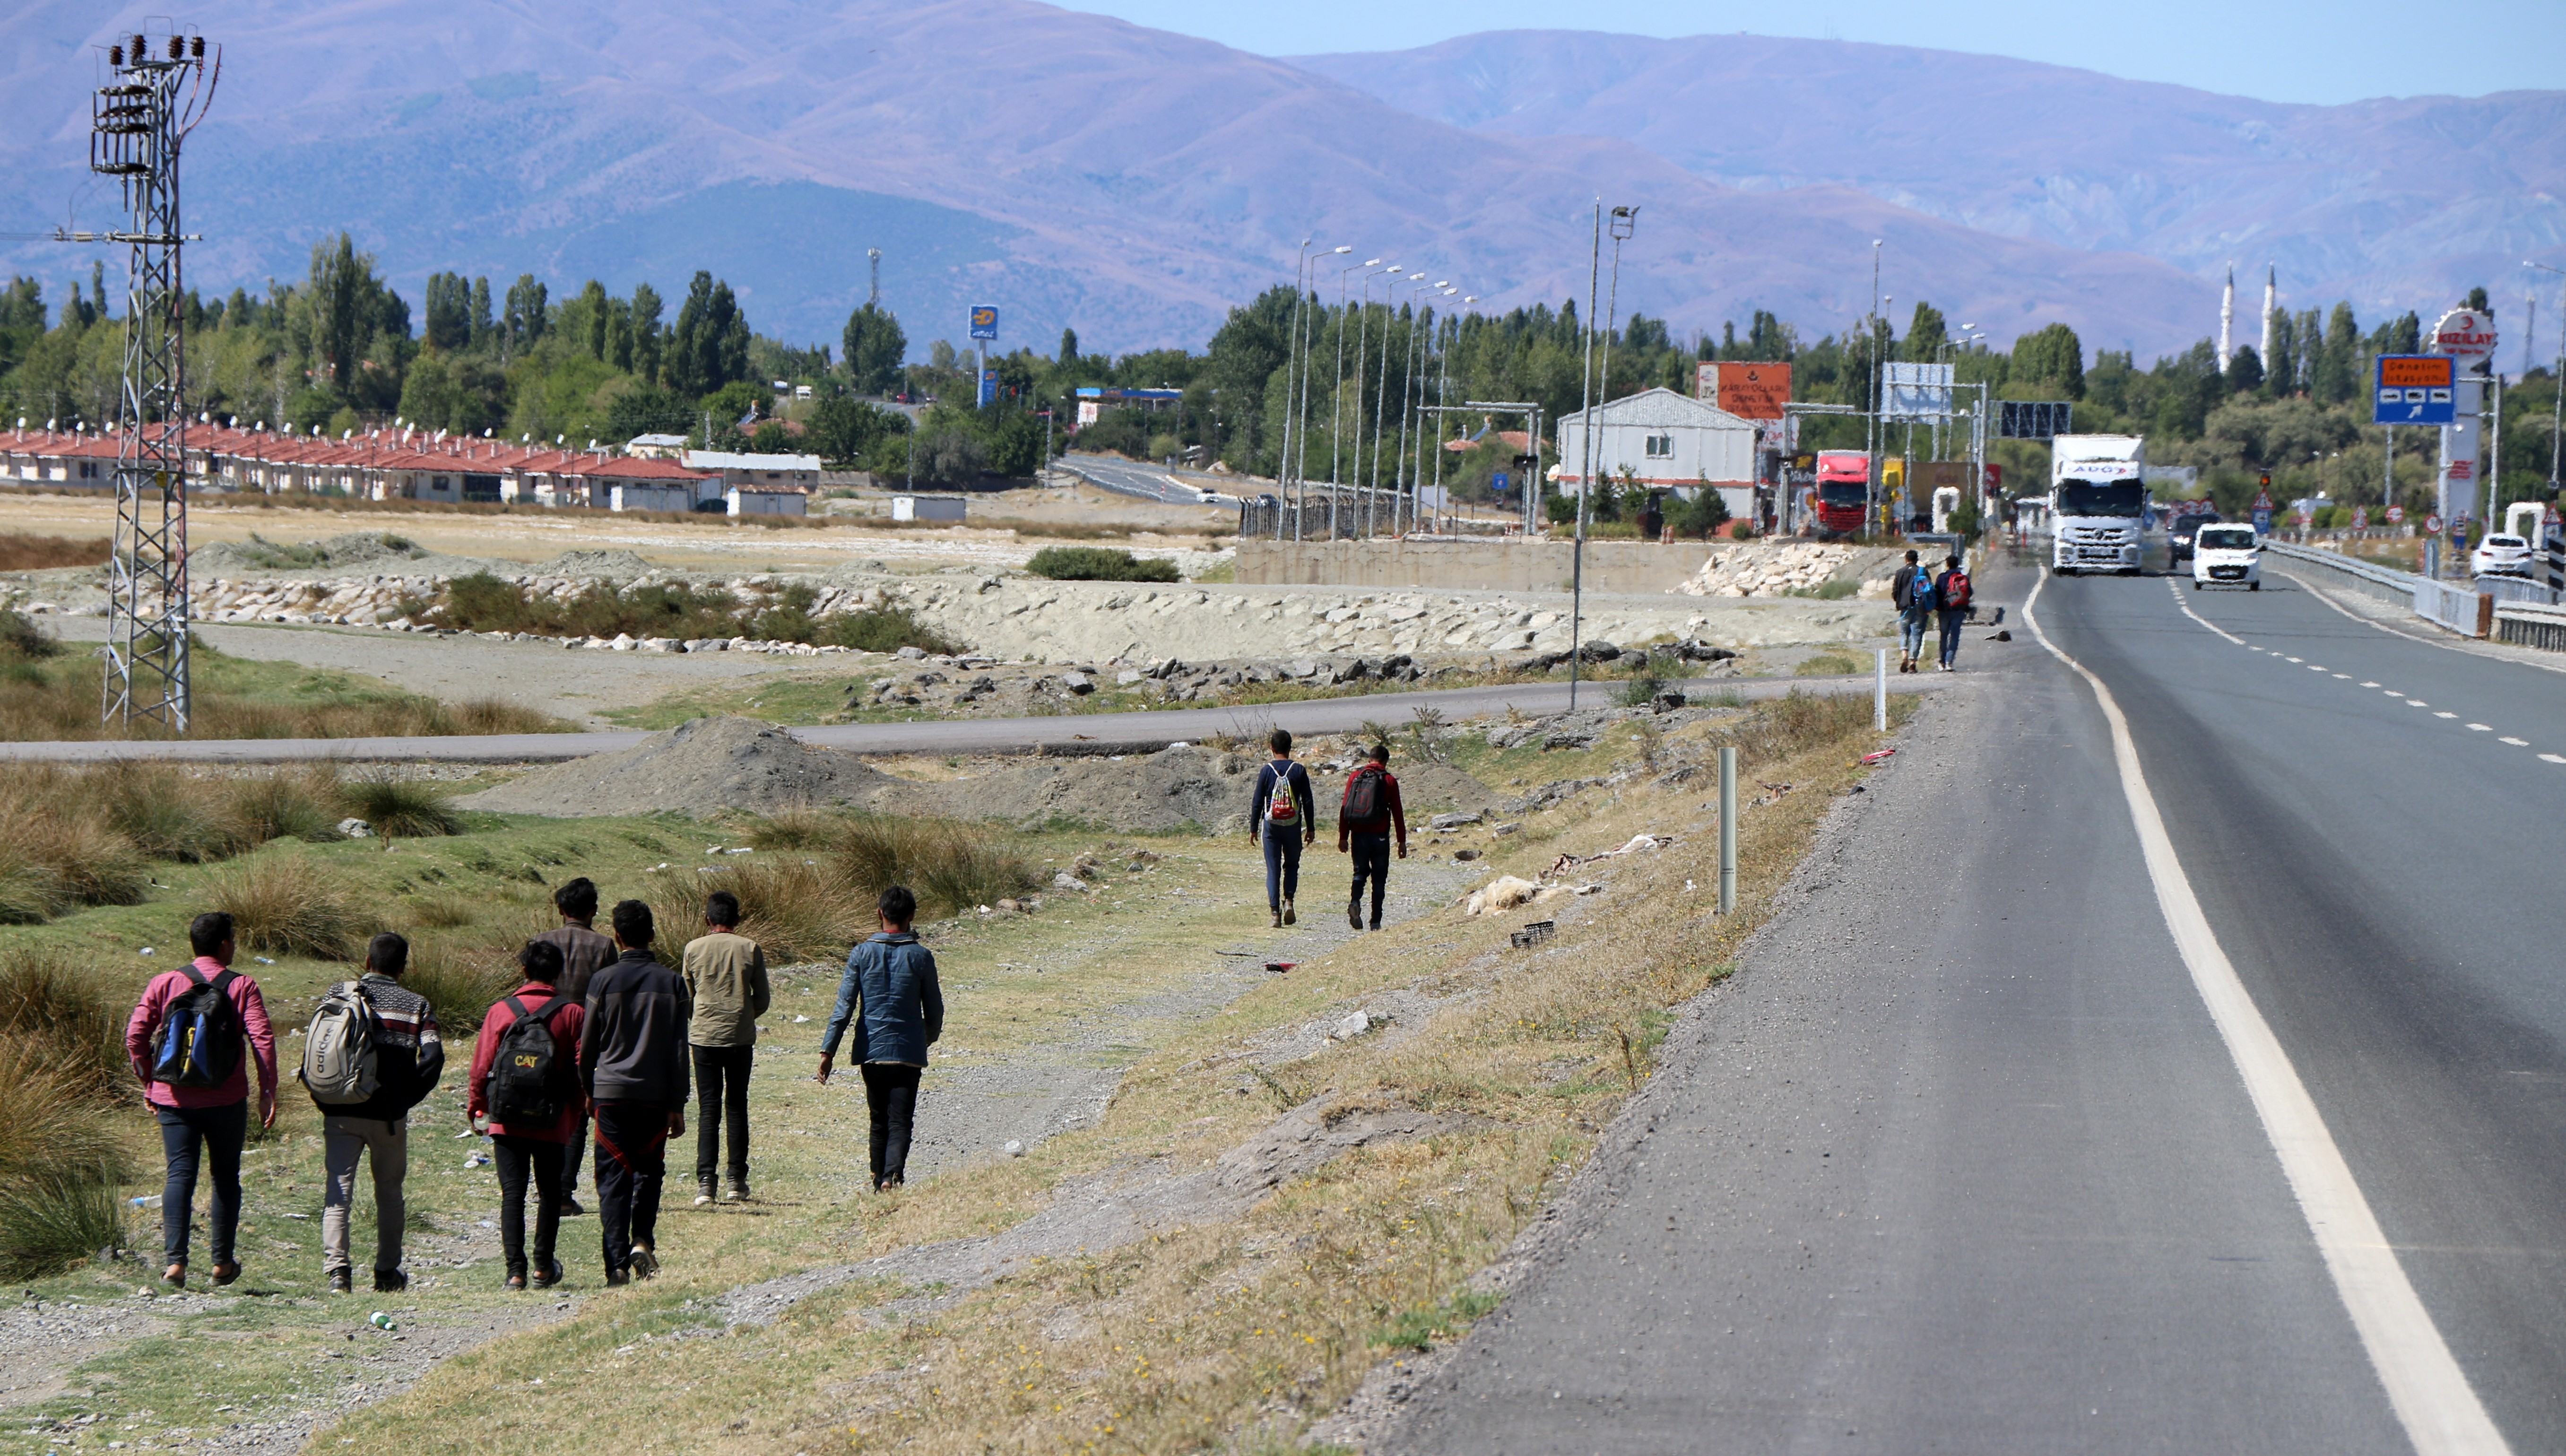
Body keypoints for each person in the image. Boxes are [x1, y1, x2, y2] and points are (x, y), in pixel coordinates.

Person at [125, 911, 277, 1290]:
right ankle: (222, 1264)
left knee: (180, 1174)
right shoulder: (243, 986)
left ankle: (176, 1264)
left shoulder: (165, 982)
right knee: (225, 1176)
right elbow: (262, 1041)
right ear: (225, 944)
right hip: (226, 1099)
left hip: (173, 1097)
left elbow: (135, 1038)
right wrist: (267, 1092)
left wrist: (149, 1082)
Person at [307, 932, 444, 1294]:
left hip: (339, 1109)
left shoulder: (337, 994)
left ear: (368, 963)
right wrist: (405, 1098)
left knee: (338, 1191)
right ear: (403, 968)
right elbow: (433, 1058)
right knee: (389, 1191)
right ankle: (386, 1271)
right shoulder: (416, 1004)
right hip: (387, 1117)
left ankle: (338, 1272)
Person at [577, 900, 690, 1285]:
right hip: (656, 1097)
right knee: (648, 1170)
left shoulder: (602, 981)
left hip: (609, 1092)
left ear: (617, 936)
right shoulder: (673, 983)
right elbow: (679, 1050)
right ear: (652, 935)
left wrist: (588, 1089)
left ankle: (616, 1266)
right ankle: (642, 1239)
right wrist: (678, 1104)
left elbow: (587, 1045)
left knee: (613, 1177)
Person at [467, 941, 585, 1290]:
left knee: (513, 1193)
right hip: (552, 1120)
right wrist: (574, 1114)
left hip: (507, 1118)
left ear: (524, 972)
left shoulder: (501, 1011)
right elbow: (581, 1073)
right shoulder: (573, 1013)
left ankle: (515, 1271)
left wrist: (477, 1107)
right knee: (550, 1194)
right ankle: (543, 1268)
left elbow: (481, 1068)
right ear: (559, 974)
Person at [816, 886, 944, 1192]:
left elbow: (844, 1007)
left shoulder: (861, 954)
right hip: (908, 1052)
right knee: (901, 1119)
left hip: (871, 1051)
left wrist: (828, 1051)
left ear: (879, 914)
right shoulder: (922, 957)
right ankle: (892, 1176)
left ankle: (878, 1179)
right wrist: (925, 1038)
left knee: (878, 1119)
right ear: (912, 917)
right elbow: (935, 1009)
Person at [681, 890, 770, 1207]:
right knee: (736, 1106)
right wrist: (743, 1015)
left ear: (708, 919)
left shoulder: (693, 949)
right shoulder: (750, 948)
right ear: (737, 920)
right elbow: (762, 999)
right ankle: (737, 1180)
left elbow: (686, 998)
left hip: (704, 1037)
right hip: (739, 1038)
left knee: (708, 1109)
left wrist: (703, 1018)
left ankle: (706, 1183)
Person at [535, 878, 616, 1219]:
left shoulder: (542, 942)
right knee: (578, 1117)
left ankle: (545, 1190)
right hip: (586, 1039)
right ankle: (565, 1194)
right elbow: (611, 999)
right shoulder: (604, 946)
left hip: (542, 1039)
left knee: (541, 1114)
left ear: (560, 909)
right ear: (593, 912)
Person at [1245, 728, 1315, 927]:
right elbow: (1308, 801)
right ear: (1290, 748)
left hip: (1271, 827)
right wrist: (1311, 828)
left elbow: (1258, 802)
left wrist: (1253, 828)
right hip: (1293, 825)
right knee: (1292, 865)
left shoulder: (1267, 771)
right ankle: (1290, 901)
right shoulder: (1299, 770)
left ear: (1272, 748)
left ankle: (1275, 913)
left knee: (1273, 869)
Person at [1336, 741, 1408, 931]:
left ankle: (1355, 901)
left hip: (1358, 834)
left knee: (1360, 872)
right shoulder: (1389, 781)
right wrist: (1402, 841)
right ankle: (1375, 922)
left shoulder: (1355, 777)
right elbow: (1397, 812)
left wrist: (1343, 836)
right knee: (1379, 879)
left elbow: (1345, 807)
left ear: (1369, 759)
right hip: (1380, 837)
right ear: (1385, 762)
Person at [1890, 548, 1935, 673]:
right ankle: (1913, 662)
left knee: (1904, 633)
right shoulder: (1923, 571)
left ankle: (1904, 655)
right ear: (1917, 559)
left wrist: (1899, 602)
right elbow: (1929, 589)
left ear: (1906, 559)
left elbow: (1895, 591)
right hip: (1920, 608)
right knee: (1917, 635)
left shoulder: (1900, 572)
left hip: (1905, 608)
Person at [1933, 553, 1974, 672]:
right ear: (1958, 565)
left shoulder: (1942, 577)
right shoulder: (1963, 578)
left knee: (1944, 636)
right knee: (1955, 636)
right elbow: (1970, 593)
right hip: (1959, 610)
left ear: (1947, 564)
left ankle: (1942, 661)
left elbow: (1937, 592)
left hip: (1944, 611)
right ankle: (1950, 662)